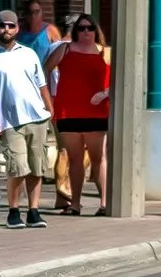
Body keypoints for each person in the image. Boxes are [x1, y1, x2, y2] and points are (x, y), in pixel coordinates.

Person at [0, 8, 56, 228]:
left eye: (11, 25)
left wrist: (50, 111)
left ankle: (34, 211)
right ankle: (14, 211)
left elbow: (42, 84)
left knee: (36, 167)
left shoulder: (29, 53)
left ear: (17, 28)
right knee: (17, 167)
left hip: (37, 117)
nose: (6, 29)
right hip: (10, 122)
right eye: (3, 25)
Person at [45, 14, 111, 216]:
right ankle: (75, 203)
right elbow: (44, 70)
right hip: (68, 112)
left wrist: (105, 94)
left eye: (90, 28)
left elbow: (120, 80)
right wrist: (47, 100)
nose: (85, 32)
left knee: (98, 158)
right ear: (75, 31)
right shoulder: (64, 49)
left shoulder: (105, 53)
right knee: (74, 160)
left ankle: (104, 203)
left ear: (95, 30)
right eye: (81, 28)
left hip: (96, 111)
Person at [18, 0, 62, 65]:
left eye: (37, 12)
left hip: (44, 72)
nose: (33, 16)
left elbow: (59, 54)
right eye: (30, 12)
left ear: (41, 13)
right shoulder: (20, 32)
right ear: (26, 15)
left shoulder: (50, 30)